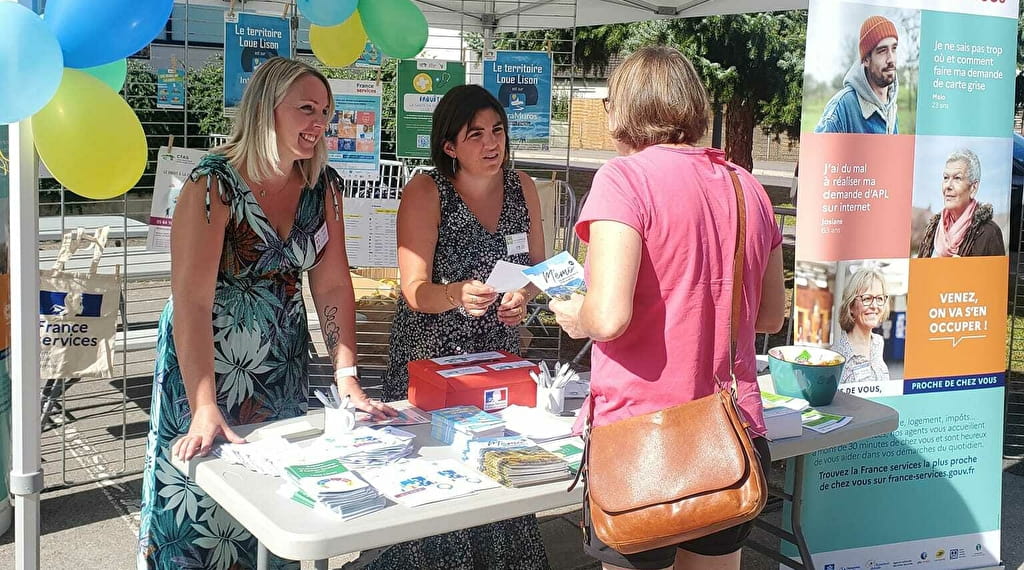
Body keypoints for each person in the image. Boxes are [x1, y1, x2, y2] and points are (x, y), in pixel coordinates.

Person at [137, 57, 396, 570]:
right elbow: (191, 300)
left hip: (280, 367)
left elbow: (331, 281)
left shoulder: (324, 187)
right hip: (205, 367)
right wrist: (203, 404)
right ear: (265, 110)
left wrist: (347, 375)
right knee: (199, 505)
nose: (319, 122)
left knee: (274, 498)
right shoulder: (213, 185)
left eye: (325, 111)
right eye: (305, 108)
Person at [549, 46, 786, 570]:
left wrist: (575, 313)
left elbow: (607, 317)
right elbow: (771, 317)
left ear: (624, 108)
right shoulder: (748, 187)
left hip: (640, 437)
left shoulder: (623, 180)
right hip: (730, 432)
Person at [364, 84, 550, 569]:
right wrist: (453, 294)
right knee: (439, 489)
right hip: (433, 364)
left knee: (501, 480)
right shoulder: (428, 191)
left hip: (495, 361)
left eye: (498, 131)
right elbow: (413, 289)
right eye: (476, 135)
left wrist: (522, 297)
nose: (492, 144)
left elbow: (538, 266)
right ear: (449, 146)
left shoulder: (522, 186)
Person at [815, 15, 899, 134]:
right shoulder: (840, 109)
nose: (891, 59)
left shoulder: (892, 107)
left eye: (894, 48)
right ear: (866, 60)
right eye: (882, 51)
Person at [918, 148, 1005, 257]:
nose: (948, 186)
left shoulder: (989, 233)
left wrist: (964, 271)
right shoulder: (932, 229)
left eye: (957, 178)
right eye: (946, 178)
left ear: (973, 188)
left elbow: (995, 274)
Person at [832, 268, 891, 384]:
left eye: (879, 298)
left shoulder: (878, 343)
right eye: (867, 298)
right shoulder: (837, 355)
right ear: (851, 306)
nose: (874, 306)